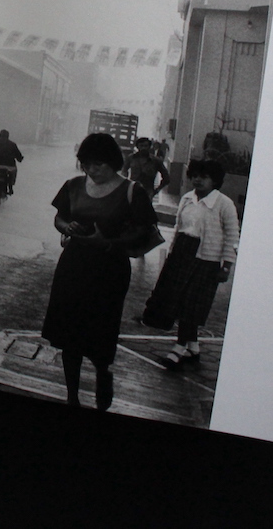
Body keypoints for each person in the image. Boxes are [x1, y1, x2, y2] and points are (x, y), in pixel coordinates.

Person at [42, 133, 158, 411]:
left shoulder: (132, 191)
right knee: (69, 333)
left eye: (98, 164)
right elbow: (59, 217)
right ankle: (72, 396)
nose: (91, 170)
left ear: (113, 163)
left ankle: (103, 373)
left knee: (101, 330)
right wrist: (66, 227)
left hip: (110, 270)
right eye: (86, 164)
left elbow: (144, 230)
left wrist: (107, 242)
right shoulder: (73, 185)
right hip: (73, 266)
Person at [139, 158, 239, 369]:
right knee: (178, 302)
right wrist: (172, 254)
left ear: (215, 180)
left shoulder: (224, 204)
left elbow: (232, 237)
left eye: (204, 177)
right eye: (194, 176)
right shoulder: (186, 199)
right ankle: (193, 347)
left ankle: (179, 348)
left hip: (206, 259)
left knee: (192, 304)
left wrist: (227, 266)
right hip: (182, 254)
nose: (197, 180)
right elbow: (178, 228)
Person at [0, 129, 24, 209]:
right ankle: (11, 186)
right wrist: (20, 158)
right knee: (13, 172)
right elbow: (19, 156)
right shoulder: (13, 144)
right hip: (10, 166)